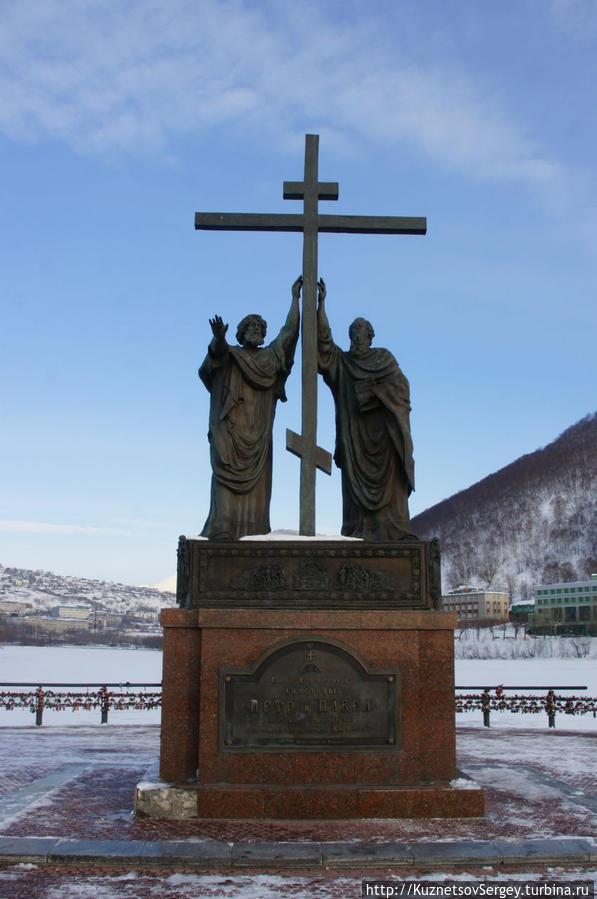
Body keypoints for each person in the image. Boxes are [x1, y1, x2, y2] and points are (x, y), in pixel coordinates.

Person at [199, 277, 301, 540]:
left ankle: (253, 533)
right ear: (241, 332)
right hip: (230, 436)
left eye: (260, 326)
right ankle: (223, 528)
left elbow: (289, 335)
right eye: (251, 325)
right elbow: (213, 360)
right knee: (224, 481)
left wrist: (295, 300)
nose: (257, 329)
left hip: (258, 438)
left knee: (257, 503)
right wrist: (218, 340)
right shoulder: (230, 357)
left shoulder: (270, 359)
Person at [317, 278, 416, 542]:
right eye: (352, 336)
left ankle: (394, 531)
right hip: (355, 439)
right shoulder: (344, 363)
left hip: (384, 437)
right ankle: (359, 531)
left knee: (392, 488)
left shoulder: (384, 358)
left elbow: (402, 389)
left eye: (361, 336)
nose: (356, 341)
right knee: (355, 502)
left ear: (371, 337)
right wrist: (321, 306)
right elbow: (324, 346)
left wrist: (375, 392)